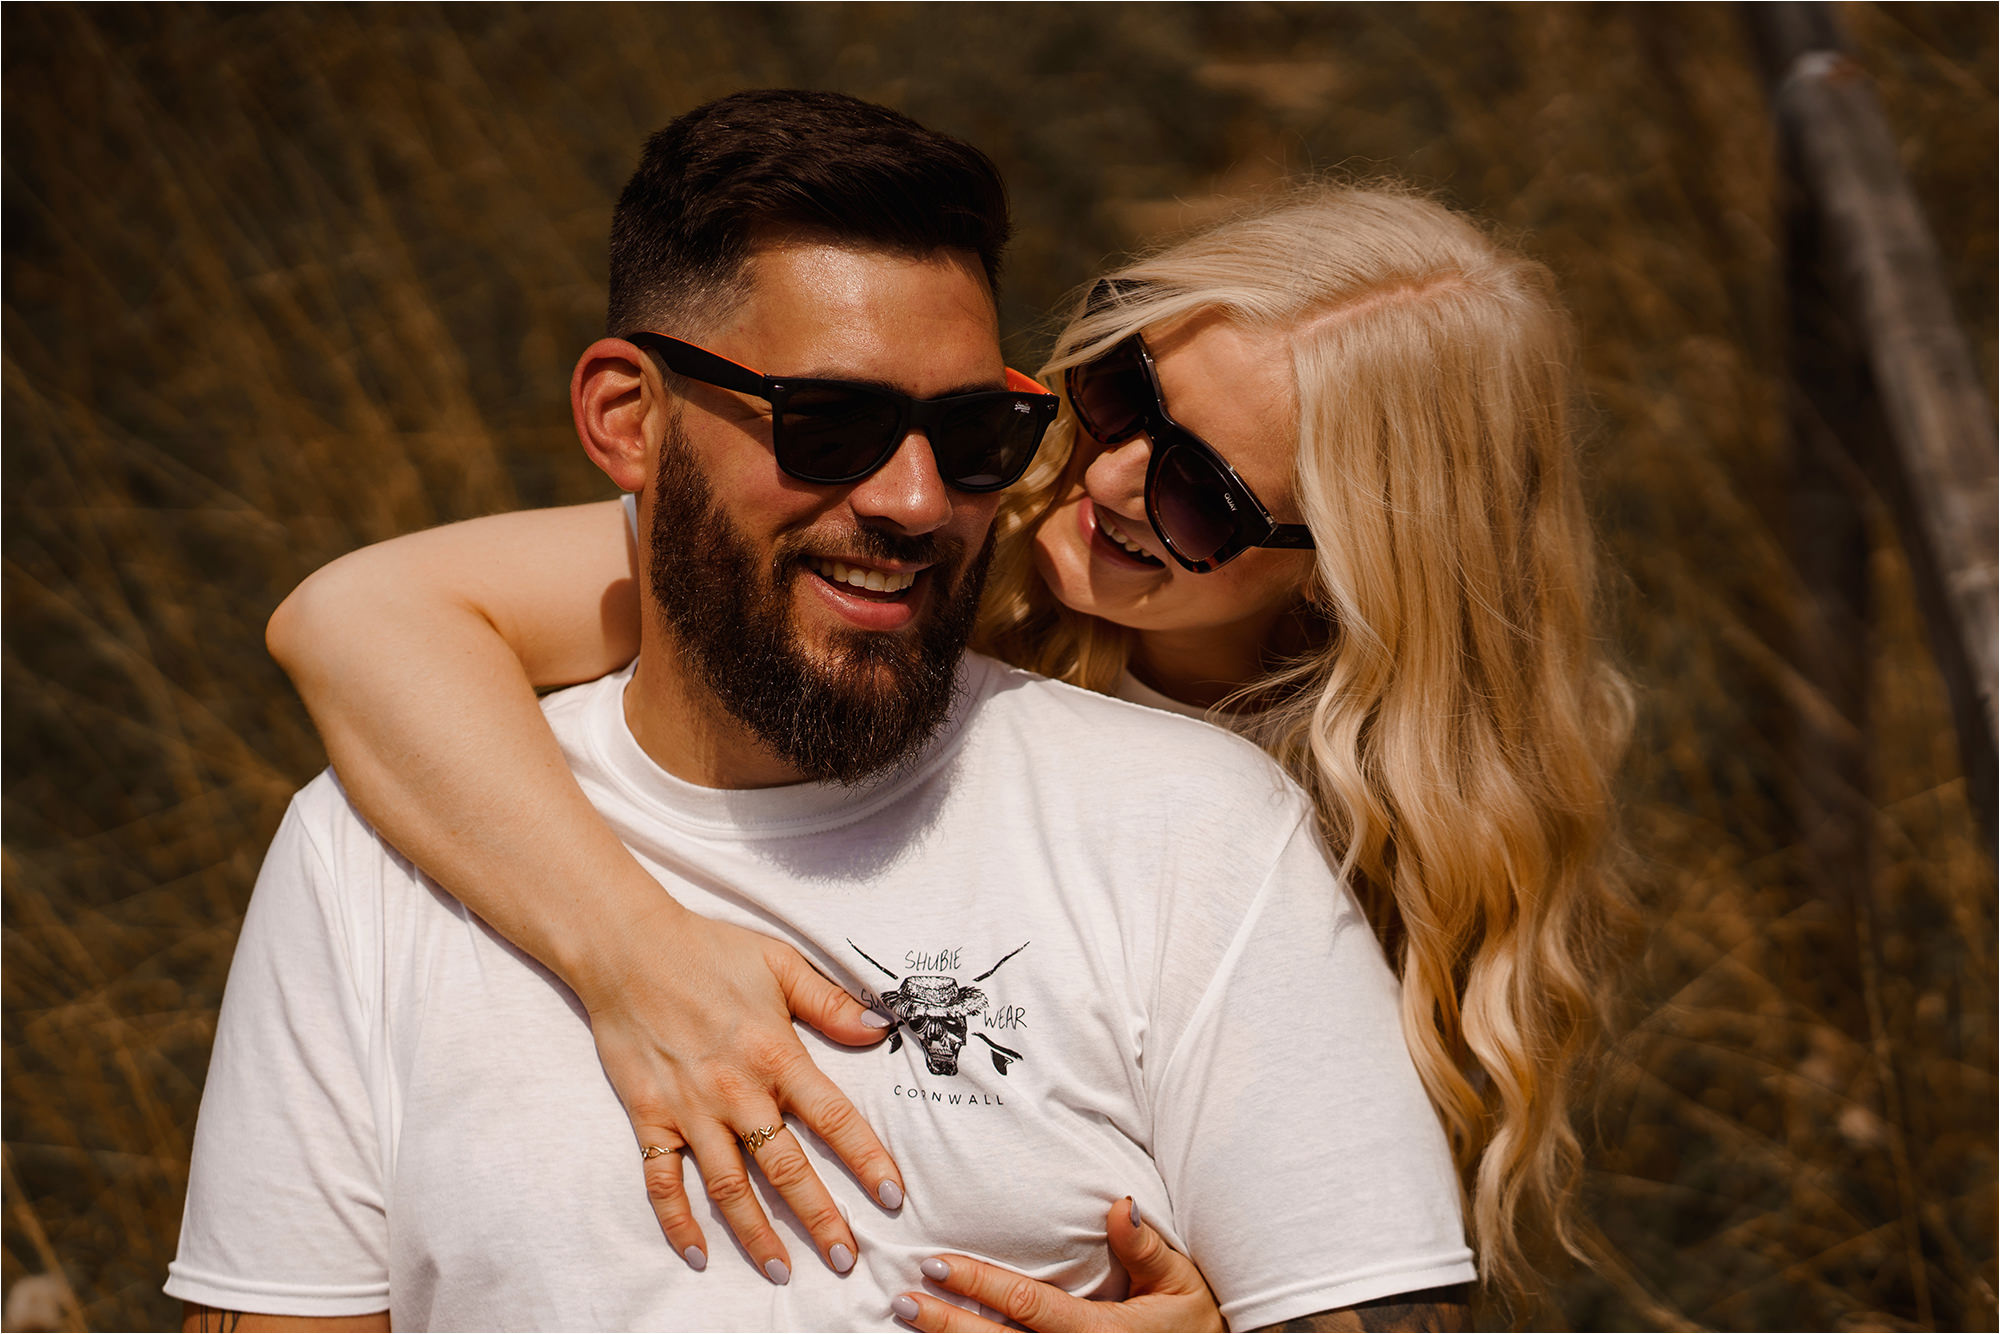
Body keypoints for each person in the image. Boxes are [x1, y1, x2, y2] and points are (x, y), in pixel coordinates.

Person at [167, 90, 1480, 1333]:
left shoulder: (1205, 826)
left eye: (974, 434)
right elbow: (359, 616)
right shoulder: (372, 849)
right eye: (1110, 401)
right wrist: (635, 949)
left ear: (1342, 583)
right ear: (628, 419)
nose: (1111, 481)